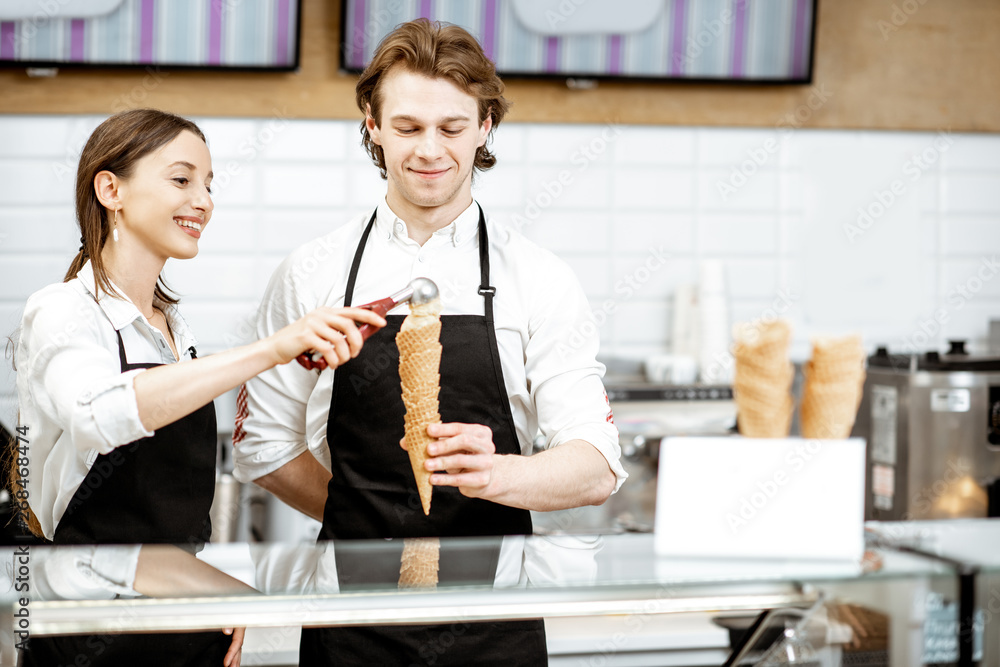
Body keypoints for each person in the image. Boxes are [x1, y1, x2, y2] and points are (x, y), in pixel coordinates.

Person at [233, 18, 627, 665]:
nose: (429, 150)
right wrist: (368, 516)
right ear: (372, 123)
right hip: (348, 623)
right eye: (409, 127)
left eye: (451, 127)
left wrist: (496, 473)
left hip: (496, 622)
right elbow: (264, 444)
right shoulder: (313, 271)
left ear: (485, 127)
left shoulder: (539, 278)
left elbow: (597, 466)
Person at [11, 108, 385, 667]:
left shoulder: (173, 328)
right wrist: (271, 350)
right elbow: (96, 417)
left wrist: (212, 589)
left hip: (177, 621)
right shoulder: (60, 311)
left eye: (208, 185)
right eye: (182, 180)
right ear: (111, 189)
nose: (204, 200)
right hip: (92, 631)